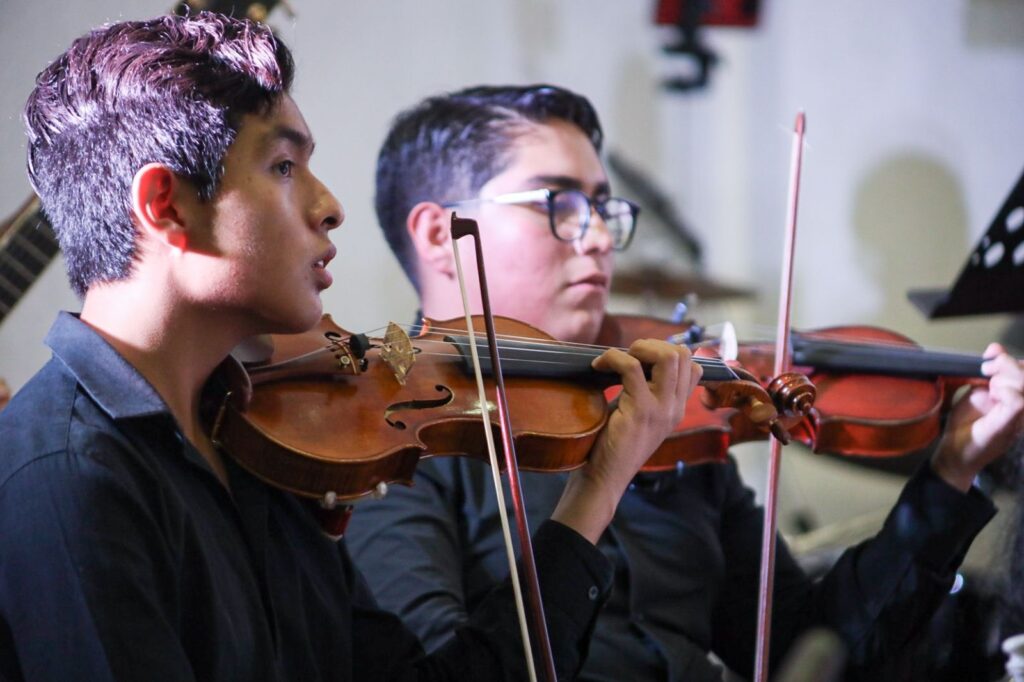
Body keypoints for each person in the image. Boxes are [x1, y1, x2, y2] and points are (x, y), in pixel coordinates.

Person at [0, 17, 701, 681]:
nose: (329, 204)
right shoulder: (67, 477)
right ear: (167, 206)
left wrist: (594, 491)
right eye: (282, 166)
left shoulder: (261, 446)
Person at [344, 84, 1024, 681]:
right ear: (439, 233)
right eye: (559, 203)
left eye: (603, 209)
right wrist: (600, 488)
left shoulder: (669, 409)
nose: (601, 239)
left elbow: (824, 646)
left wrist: (953, 469)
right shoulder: (394, 446)